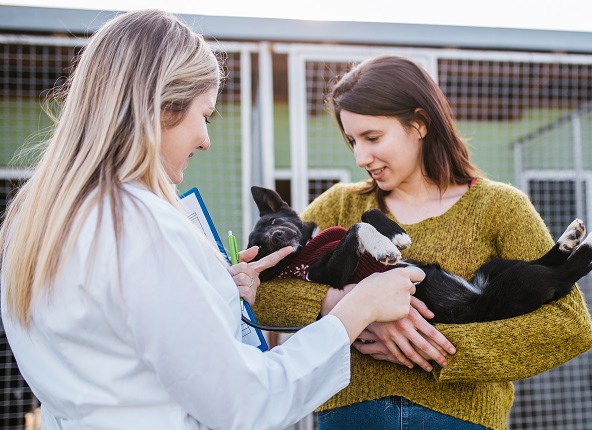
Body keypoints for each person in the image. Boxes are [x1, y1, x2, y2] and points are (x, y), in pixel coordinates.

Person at [0, 11, 423, 430]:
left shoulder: (35, 220)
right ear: (161, 107)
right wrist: (358, 306)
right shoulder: (141, 226)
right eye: (204, 115)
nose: (205, 139)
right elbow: (243, 403)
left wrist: (220, 294)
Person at [252, 55, 592, 430]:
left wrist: (436, 347)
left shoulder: (500, 206)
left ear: (418, 124)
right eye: (352, 140)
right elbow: (262, 296)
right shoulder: (340, 203)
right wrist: (351, 308)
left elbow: (568, 326)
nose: (360, 156)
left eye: (372, 137)